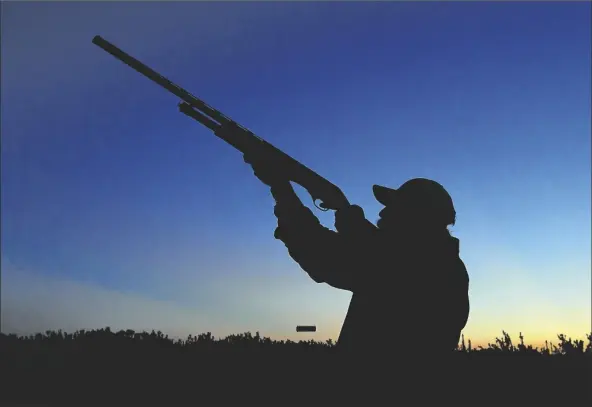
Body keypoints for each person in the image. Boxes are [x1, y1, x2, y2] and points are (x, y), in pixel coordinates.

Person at [244, 156, 470, 366]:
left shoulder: (419, 266)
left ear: (417, 218)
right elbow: (372, 248)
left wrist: (280, 187)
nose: (383, 212)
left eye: (395, 207)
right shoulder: (443, 265)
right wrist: (345, 214)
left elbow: (319, 250)